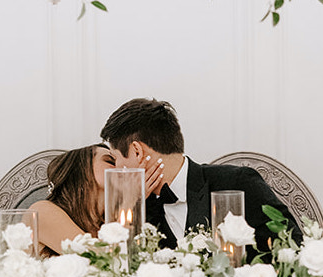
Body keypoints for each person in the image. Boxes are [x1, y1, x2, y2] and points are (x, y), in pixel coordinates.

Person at [99, 98, 303, 256]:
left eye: (115, 158)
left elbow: (292, 246)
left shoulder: (237, 182)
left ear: (137, 151)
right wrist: (133, 206)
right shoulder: (137, 211)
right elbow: (120, 270)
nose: (117, 168)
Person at [24, 144, 166, 257]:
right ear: (80, 171)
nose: (120, 167)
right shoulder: (41, 212)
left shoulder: (110, 221)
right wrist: (131, 199)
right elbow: (99, 261)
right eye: (110, 161)